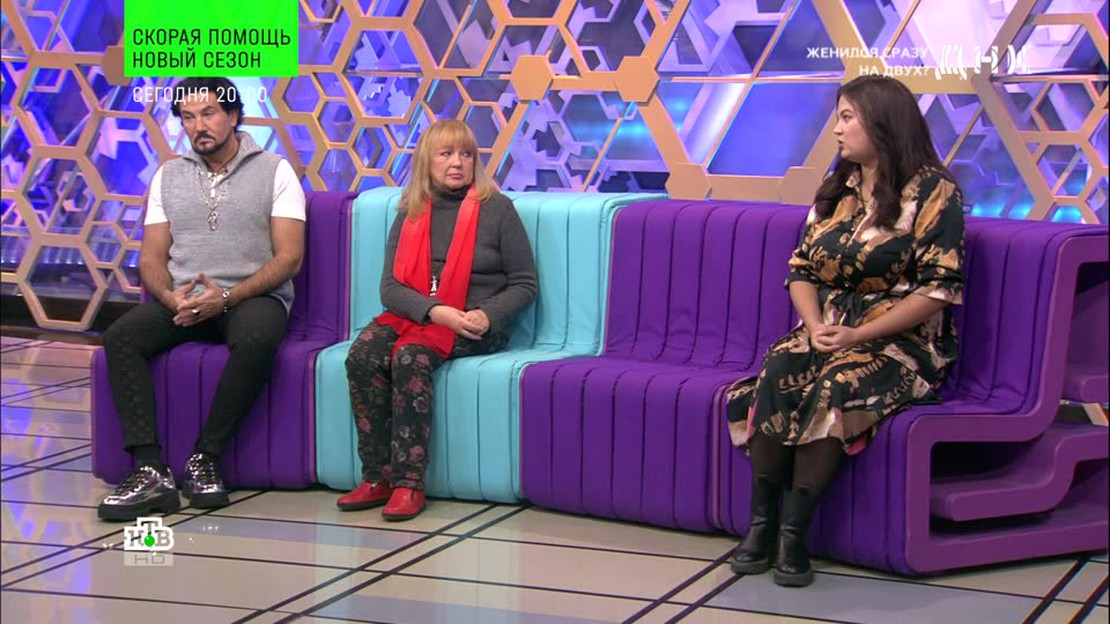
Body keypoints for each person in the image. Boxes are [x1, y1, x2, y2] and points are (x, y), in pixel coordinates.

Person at [725, 75, 966, 587]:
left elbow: (938, 290)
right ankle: (761, 525)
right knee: (779, 366)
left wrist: (857, 337)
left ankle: (795, 534)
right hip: (828, 331)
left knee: (837, 383)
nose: (836, 129)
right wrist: (815, 326)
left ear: (882, 122)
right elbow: (801, 270)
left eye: (847, 118)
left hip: (901, 344)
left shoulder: (934, 192)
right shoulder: (837, 190)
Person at [97, 77, 306, 521]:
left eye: (208, 114)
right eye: (189, 118)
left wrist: (226, 298)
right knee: (120, 337)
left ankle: (205, 458)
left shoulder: (275, 170)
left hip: (250, 296)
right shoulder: (168, 175)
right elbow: (151, 258)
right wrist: (170, 297)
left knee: (259, 336)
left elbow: (289, 258)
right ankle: (149, 469)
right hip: (186, 300)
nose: (198, 126)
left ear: (233, 116)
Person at [338, 119, 537, 521]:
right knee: (361, 355)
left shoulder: (497, 209)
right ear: (427, 161)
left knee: (410, 355)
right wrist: (433, 311)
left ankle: (409, 483)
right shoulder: (410, 210)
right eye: (446, 154)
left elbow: (524, 284)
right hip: (422, 315)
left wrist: (487, 314)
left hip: (473, 322)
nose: (457, 163)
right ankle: (377, 476)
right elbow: (390, 287)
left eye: (466, 154)